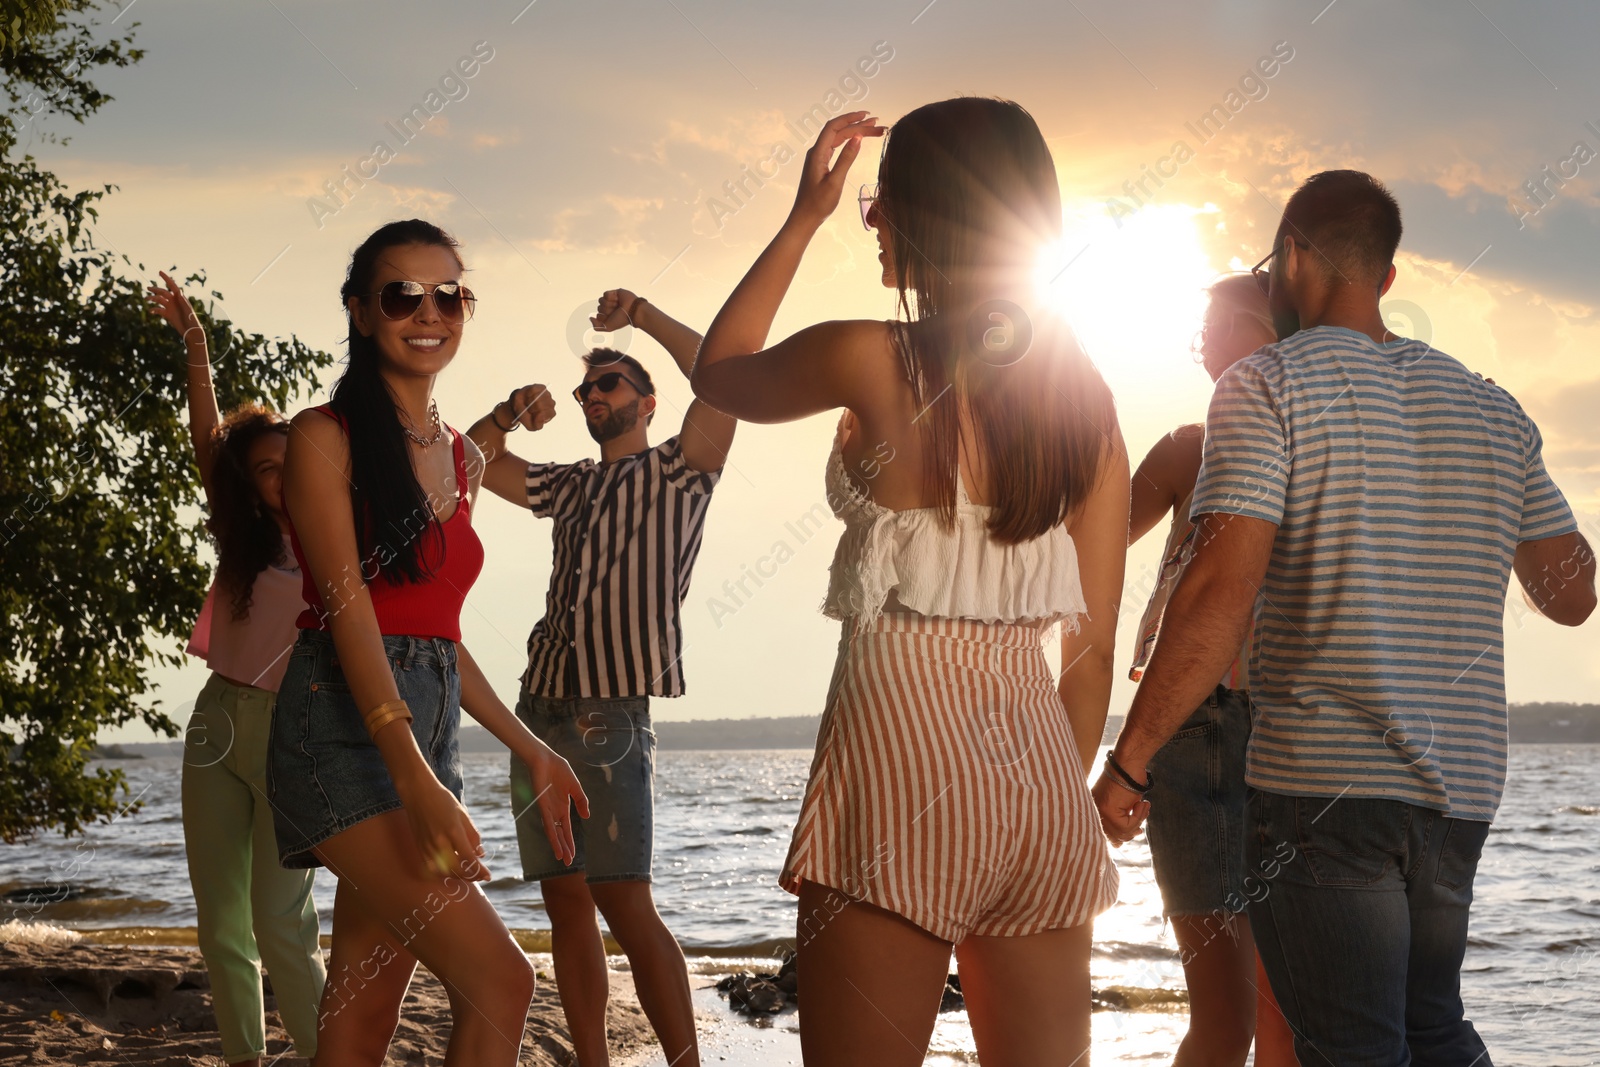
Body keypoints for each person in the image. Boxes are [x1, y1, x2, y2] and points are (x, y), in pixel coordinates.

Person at [1094, 170, 1595, 1066]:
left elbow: (1218, 595)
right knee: (1431, 1027)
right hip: (1460, 791)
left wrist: (1130, 762)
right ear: (1386, 278)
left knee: (1353, 1046)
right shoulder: (1493, 407)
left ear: (1288, 255)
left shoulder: (1267, 384)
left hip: (1326, 788)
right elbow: (1571, 594)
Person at [693, 100, 1128, 1067]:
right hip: (1041, 788)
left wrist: (804, 214)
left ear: (926, 213)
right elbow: (1089, 657)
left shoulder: (872, 357)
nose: (870, 221)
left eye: (878, 204)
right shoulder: (1090, 408)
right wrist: (1044, 792)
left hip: (894, 774)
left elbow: (719, 372)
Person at [266, 219, 588, 1067]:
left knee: (365, 1019)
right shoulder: (321, 438)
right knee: (502, 980)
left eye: (449, 293)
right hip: (340, 731)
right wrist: (413, 777)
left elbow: (436, 637)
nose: (429, 310)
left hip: (422, 733)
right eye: (403, 294)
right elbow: (349, 611)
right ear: (361, 311)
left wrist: (531, 749)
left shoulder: (452, 454)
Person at [467, 288, 736, 1067]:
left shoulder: (682, 471)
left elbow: (724, 380)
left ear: (648, 402)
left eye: (608, 384)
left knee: (624, 899)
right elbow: (471, 463)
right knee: (565, 904)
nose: (592, 396)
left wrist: (645, 316)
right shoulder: (573, 484)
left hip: (612, 712)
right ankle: (593, 1062)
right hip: (537, 707)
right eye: (587, 388)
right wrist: (510, 409)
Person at [147, 272, 327, 1067]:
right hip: (218, 719)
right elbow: (205, 436)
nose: (282, 476)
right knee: (220, 915)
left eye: (293, 461)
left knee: (281, 918)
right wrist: (196, 346)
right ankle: (246, 1059)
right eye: (265, 468)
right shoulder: (242, 538)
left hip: (296, 731)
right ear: (248, 487)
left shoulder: (337, 541)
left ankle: (333, 1055)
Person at [1125, 274, 1296, 1067]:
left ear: (1251, 326)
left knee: (1257, 1017)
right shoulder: (1188, 448)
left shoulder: (1286, 438)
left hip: (1258, 730)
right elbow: (1082, 546)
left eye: (1211, 324)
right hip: (1222, 729)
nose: (1201, 340)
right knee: (1245, 1019)